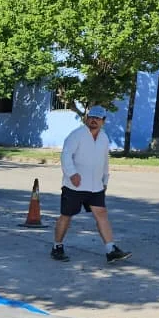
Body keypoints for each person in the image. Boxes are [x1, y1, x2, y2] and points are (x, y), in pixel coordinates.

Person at [50, 106, 131, 264]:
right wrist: (72, 173)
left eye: (98, 118)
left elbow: (104, 161)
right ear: (87, 118)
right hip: (75, 185)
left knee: (101, 214)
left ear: (103, 121)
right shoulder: (77, 135)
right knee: (66, 216)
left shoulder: (104, 138)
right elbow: (66, 155)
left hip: (96, 186)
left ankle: (110, 249)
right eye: (91, 117)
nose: (94, 120)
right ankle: (57, 247)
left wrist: (105, 180)